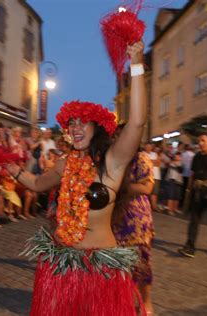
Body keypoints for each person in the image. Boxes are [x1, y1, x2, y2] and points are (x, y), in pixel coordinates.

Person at [9, 41, 146, 315]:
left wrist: (137, 64)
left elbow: (137, 122)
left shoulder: (112, 163)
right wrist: (12, 170)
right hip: (63, 264)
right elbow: (36, 184)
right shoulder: (64, 164)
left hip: (101, 267)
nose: (77, 127)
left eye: (84, 122)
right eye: (72, 123)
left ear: (97, 128)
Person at [112, 124, 155, 314]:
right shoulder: (112, 159)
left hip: (137, 220)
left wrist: (120, 186)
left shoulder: (141, 158)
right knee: (118, 263)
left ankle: (146, 302)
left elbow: (146, 188)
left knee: (141, 263)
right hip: (115, 218)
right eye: (118, 136)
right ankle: (124, 301)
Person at [143, 142, 161, 212]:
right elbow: (143, 162)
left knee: (154, 192)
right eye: (147, 146)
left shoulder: (155, 154)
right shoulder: (142, 154)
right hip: (146, 176)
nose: (148, 147)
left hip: (155, 175)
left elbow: (158, 163)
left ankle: (154, 207)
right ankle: (145, 206)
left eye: (150, 146)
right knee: (145, 192)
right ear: (145, 146)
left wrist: (148, 161)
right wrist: (153, 162)